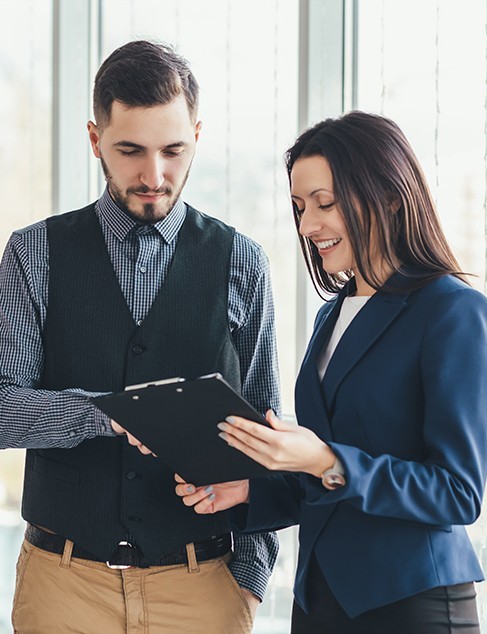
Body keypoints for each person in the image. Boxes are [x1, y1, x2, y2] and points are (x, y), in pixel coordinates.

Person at [0, 40, 280, 634]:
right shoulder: (33, 254)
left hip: (203, 586)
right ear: (95, 138)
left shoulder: (242, 262)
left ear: (197, 137)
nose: (154, 175)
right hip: (63, 589)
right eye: (130, 150)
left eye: (173, 150)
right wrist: (109, 415)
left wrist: (250, 582)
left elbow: (270, 428)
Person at [176, 111, 487, 634]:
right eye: (299, 207)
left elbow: (457, 492)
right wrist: (251, 490)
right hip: (320, 601)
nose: (307, 225)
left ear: (389, 197)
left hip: (411, 602)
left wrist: (321, 457)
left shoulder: (452, 311)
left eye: (326, 203)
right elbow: (329, 477)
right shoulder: (332, 314)